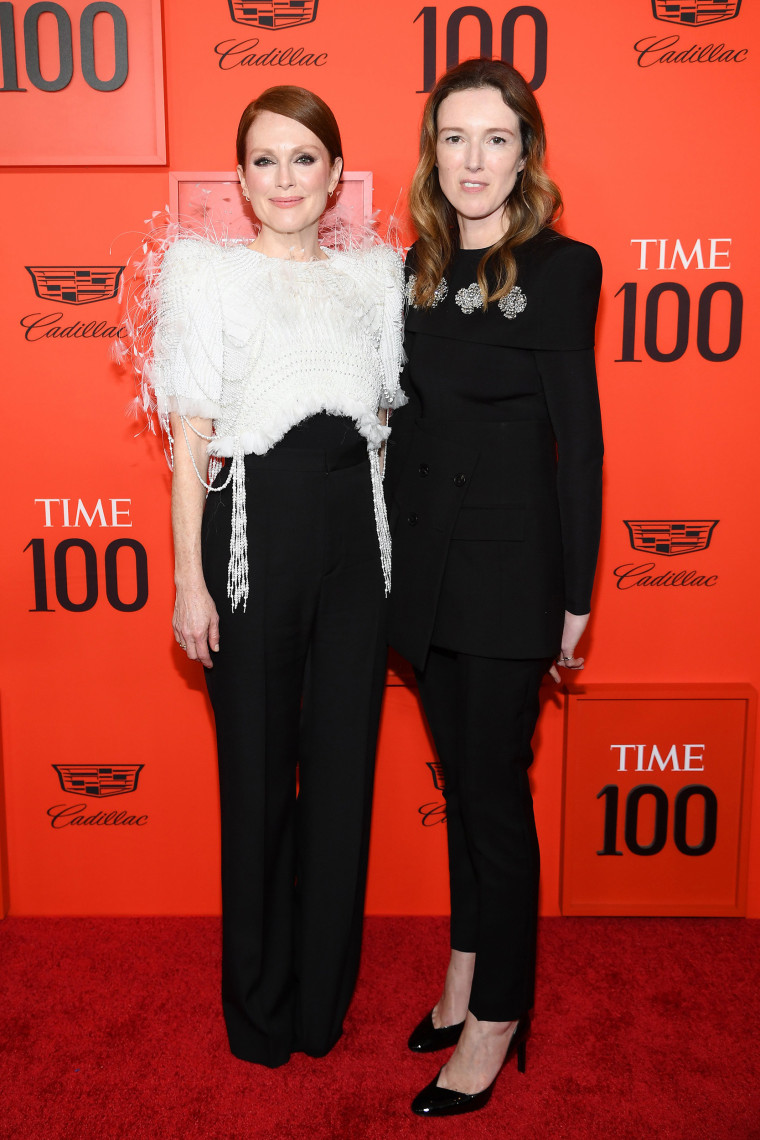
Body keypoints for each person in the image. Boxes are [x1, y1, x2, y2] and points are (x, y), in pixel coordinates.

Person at [148, 86, 405, 1068]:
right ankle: (258, 1010)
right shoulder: (205, 277)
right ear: (241, 179)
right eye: (266, 160)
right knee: (255, 777)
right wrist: (187, 579)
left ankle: (319, 1005)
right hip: (249, 540)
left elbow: (386, 426)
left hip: (354, 545)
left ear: (336, 174)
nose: (286, 178)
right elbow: (189, 441)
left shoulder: (374, 280)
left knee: (342, 775)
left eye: (305, 158)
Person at [385, 58, 603, 1116]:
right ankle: (467, 973)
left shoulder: (562, 269)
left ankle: (499, 1014)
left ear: (527, 152)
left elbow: (580, 440)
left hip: (513, 581)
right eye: (454, 137)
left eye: (495, 138)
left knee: (494, 810)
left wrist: (575, 596)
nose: (472, 160)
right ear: (434, 151)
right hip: (424, 581)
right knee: (468, 794)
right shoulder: (411, 269)